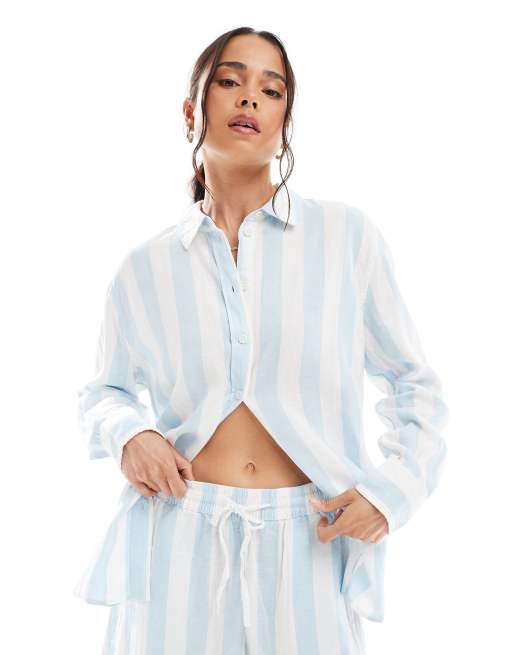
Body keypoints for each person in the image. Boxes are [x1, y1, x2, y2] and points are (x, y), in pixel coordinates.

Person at [73, 26, 449, 655]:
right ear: (191, 112)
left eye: (271, 90)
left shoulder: (345, 238)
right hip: (177, 539)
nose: (250, 97)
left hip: (313, 539)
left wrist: (391, 495)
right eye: (230, 81)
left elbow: (415, 386)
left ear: (284, 123)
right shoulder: (145, 269)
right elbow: (102, 391)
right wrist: (130, 435)